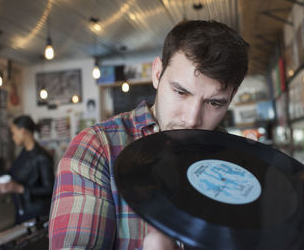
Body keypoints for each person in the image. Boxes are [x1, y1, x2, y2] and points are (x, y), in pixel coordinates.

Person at [49, 20, 249, 249]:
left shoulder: (235, 158)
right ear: (157, 74)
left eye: (214, 103)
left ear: (231, 99)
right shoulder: (97, 147)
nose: (192, 119)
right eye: (181, 92)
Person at [0, 115, 54, 223]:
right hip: (22, 209)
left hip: (37, 214)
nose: (13, 137)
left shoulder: (42, 157)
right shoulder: (25, 152)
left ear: (22, 131)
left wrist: (20, 189)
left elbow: (50, 189)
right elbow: (14, 173)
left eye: (13, 133)